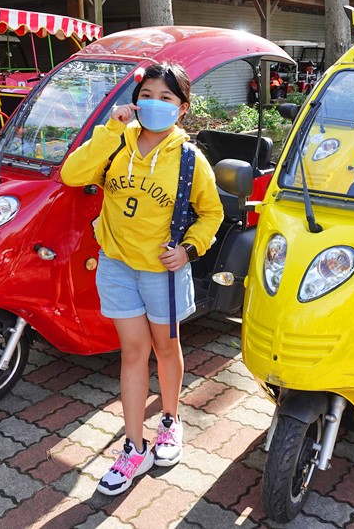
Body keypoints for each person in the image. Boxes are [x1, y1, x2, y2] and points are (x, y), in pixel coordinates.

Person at [60, 62, 224, 495]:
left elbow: (212, 213)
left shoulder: (190, 159)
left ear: (182, 108)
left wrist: (189, 248)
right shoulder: (116, 145)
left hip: (163, 274)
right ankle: (134, 447)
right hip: (116, 266)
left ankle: (170, 420)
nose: (154, 104)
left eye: (166, 98)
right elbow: (72, 175)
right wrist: (109, 131)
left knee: (166, 349)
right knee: (132, 354)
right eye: (147, 95)